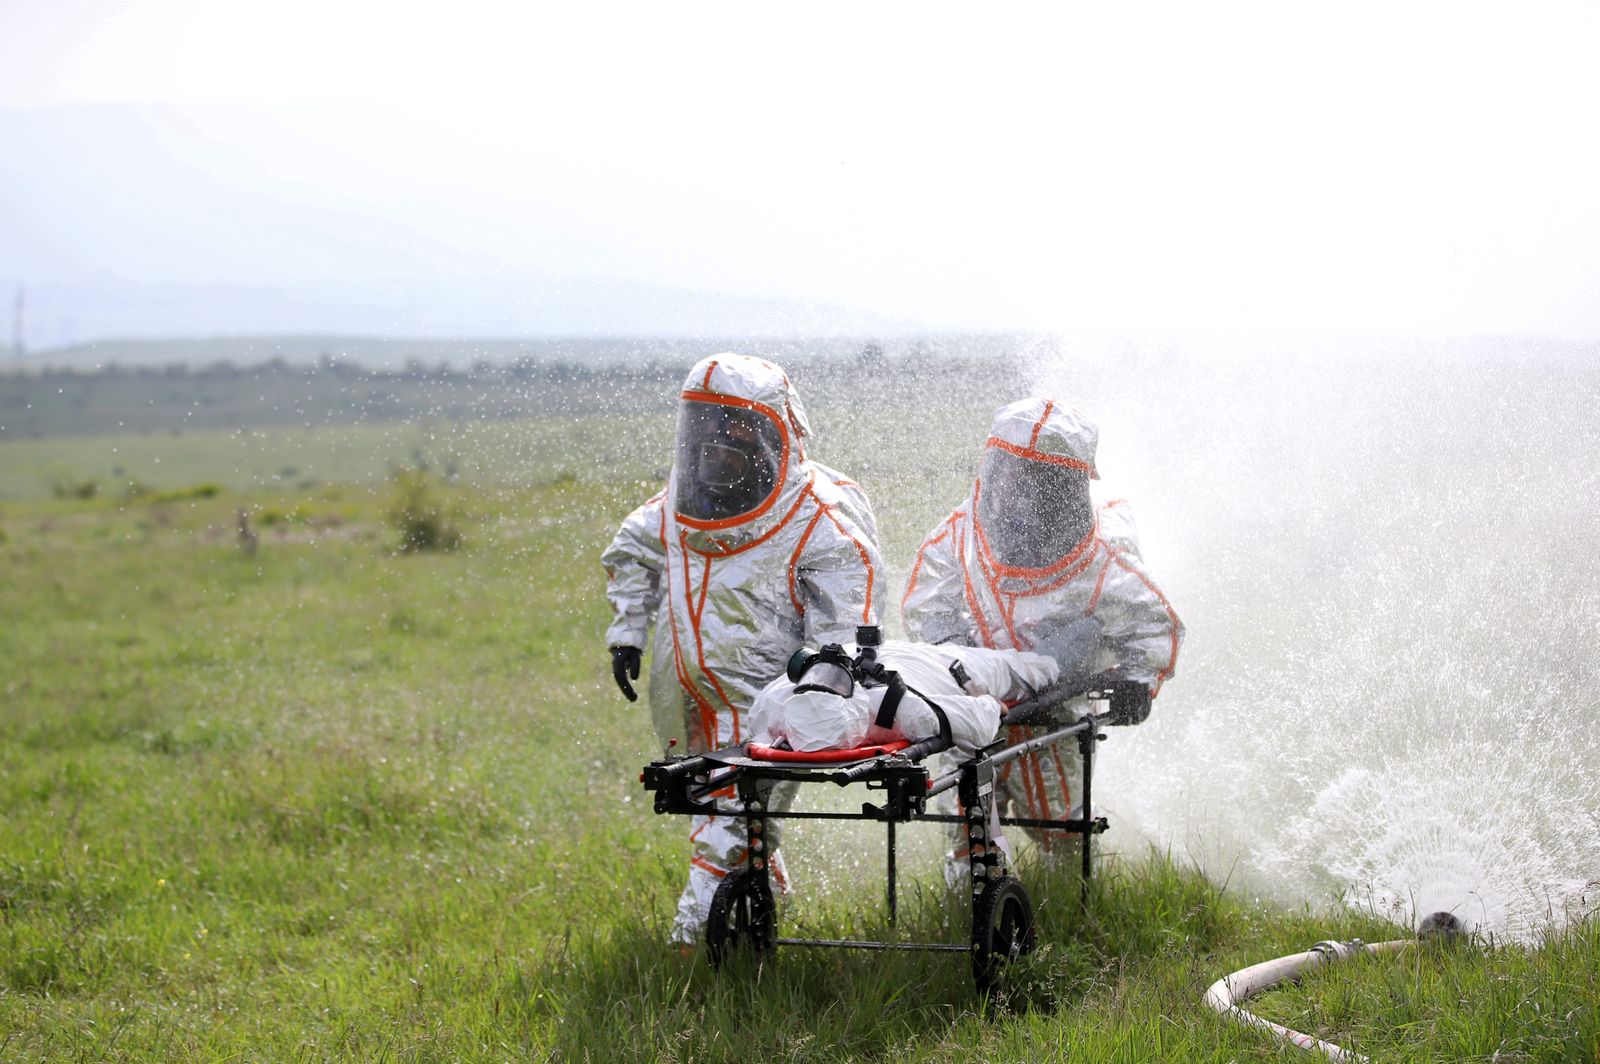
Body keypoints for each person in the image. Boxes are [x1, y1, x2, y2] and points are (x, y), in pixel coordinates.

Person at [602, 353, 885, 944]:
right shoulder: (678, 509)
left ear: (772, 439)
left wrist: (819, 693)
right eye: (705, 431)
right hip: (687, 700)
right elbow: (633, 550)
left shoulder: (816, 519)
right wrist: (629, 629)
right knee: (720, 815)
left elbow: (847, 624)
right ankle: (760, 915)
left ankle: (693, 949)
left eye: (734, 434)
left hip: (769, 704)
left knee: (730, 827)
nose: (716, 449)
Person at [901, 397, 1184, 871]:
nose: (1024, 497)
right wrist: (963, 671)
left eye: (1042, 481)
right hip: (971, 716)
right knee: (970, 836)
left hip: (1055, 718)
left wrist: (1139, 682)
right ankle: (975, 907)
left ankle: (1071, 905)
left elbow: (1153, 627)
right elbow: (926, 612)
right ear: (994, 469)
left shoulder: (1102, 559)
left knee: (1064, 833)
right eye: (1015, 476)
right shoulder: (954, 539)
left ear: (1071, 488)